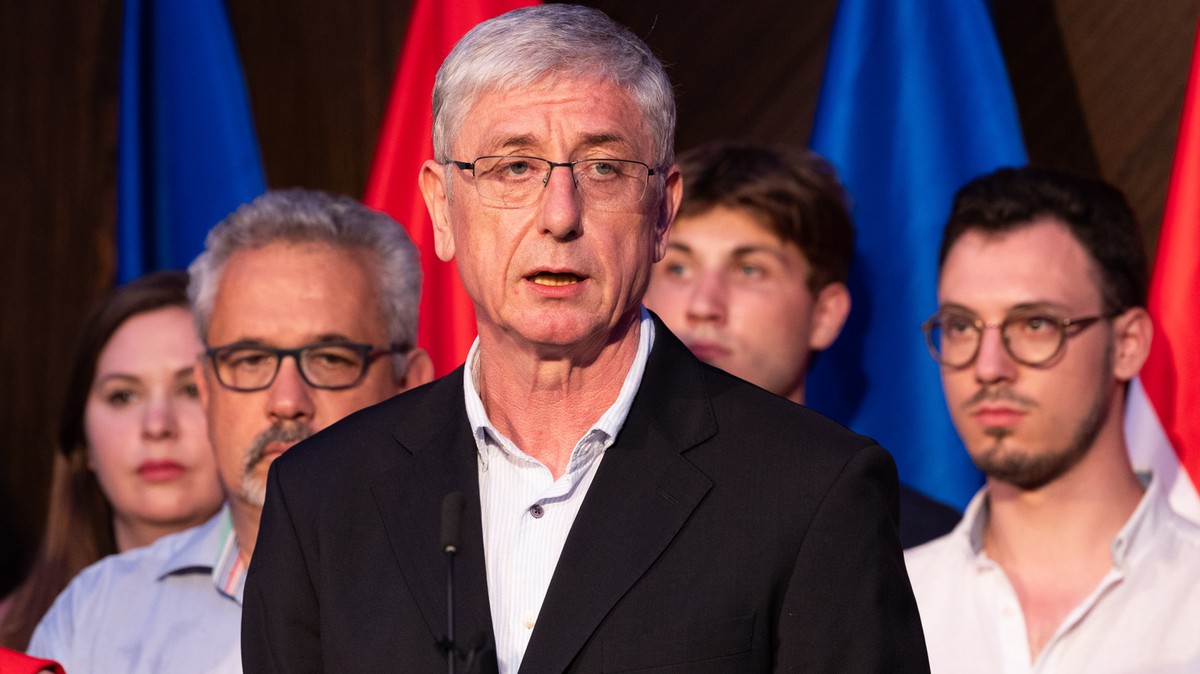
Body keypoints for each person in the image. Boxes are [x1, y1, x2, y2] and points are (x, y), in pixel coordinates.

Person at [242, 6, 928, 673]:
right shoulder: (321, 496)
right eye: (514, 168)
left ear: (662, 214)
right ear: (442, 208)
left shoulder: (811, 489)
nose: (560, 215)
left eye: (604, 169)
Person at [27, 189, 433, 673]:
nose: (286, 402)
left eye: (329, 359)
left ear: (411, 384)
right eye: (250, 360)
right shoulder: (96, 617)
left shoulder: (485, 587)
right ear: (207, 388)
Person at [905, 167, 1200, 671]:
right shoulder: (885, 605)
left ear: (1127, 345)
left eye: (1035, 324)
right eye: (961, 326)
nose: (988, 367)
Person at [643, 140, 960, 547]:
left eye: (749, 269)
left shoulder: (918, 545)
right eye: (678, 268)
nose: (704, 306)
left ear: (824, 315)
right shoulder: (579, 499)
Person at [0, 271, 223, 649]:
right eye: (123, 396)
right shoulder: (9, 642)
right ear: (82, 438)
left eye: (190, 390)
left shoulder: (295, 620)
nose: (157, 425)